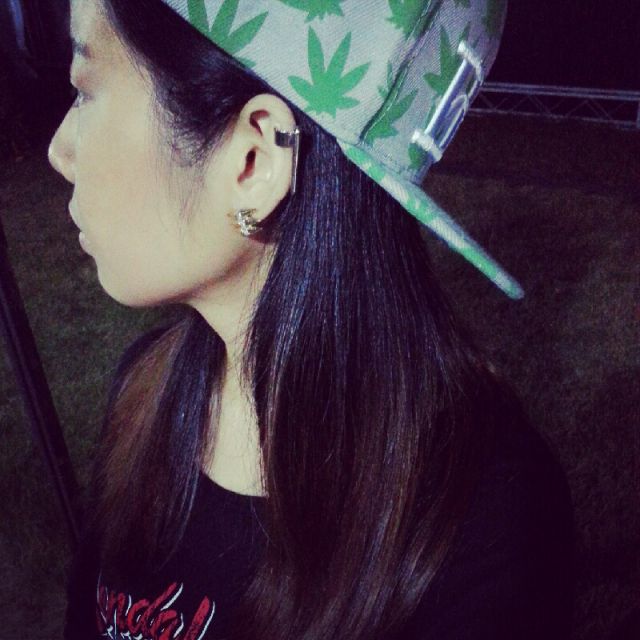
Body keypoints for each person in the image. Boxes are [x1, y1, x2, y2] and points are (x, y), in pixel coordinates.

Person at [48, 0, 575, 638]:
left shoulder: (484, 526)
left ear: (254, 161)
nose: (59, 150)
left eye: (86, 90)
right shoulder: (144, 395)